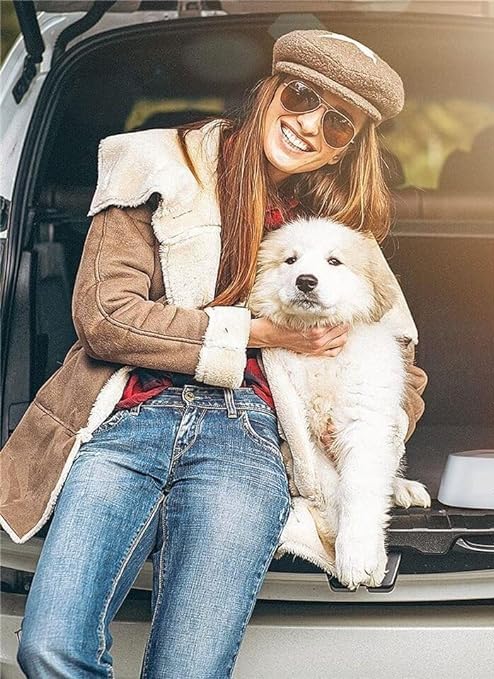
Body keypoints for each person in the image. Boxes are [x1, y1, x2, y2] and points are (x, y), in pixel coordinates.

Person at [4, 30, 427, 678]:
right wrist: (260, 334)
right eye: (302, 95)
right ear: (270, 87)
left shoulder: (335, 225)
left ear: (350, 143)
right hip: (131, 415)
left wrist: (363, 437)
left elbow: (399, 358)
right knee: (49, 647)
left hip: (251, 433)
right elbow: (106, 317)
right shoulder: (155, 164)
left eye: (336, 122)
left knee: (187, 671)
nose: (309, 124)